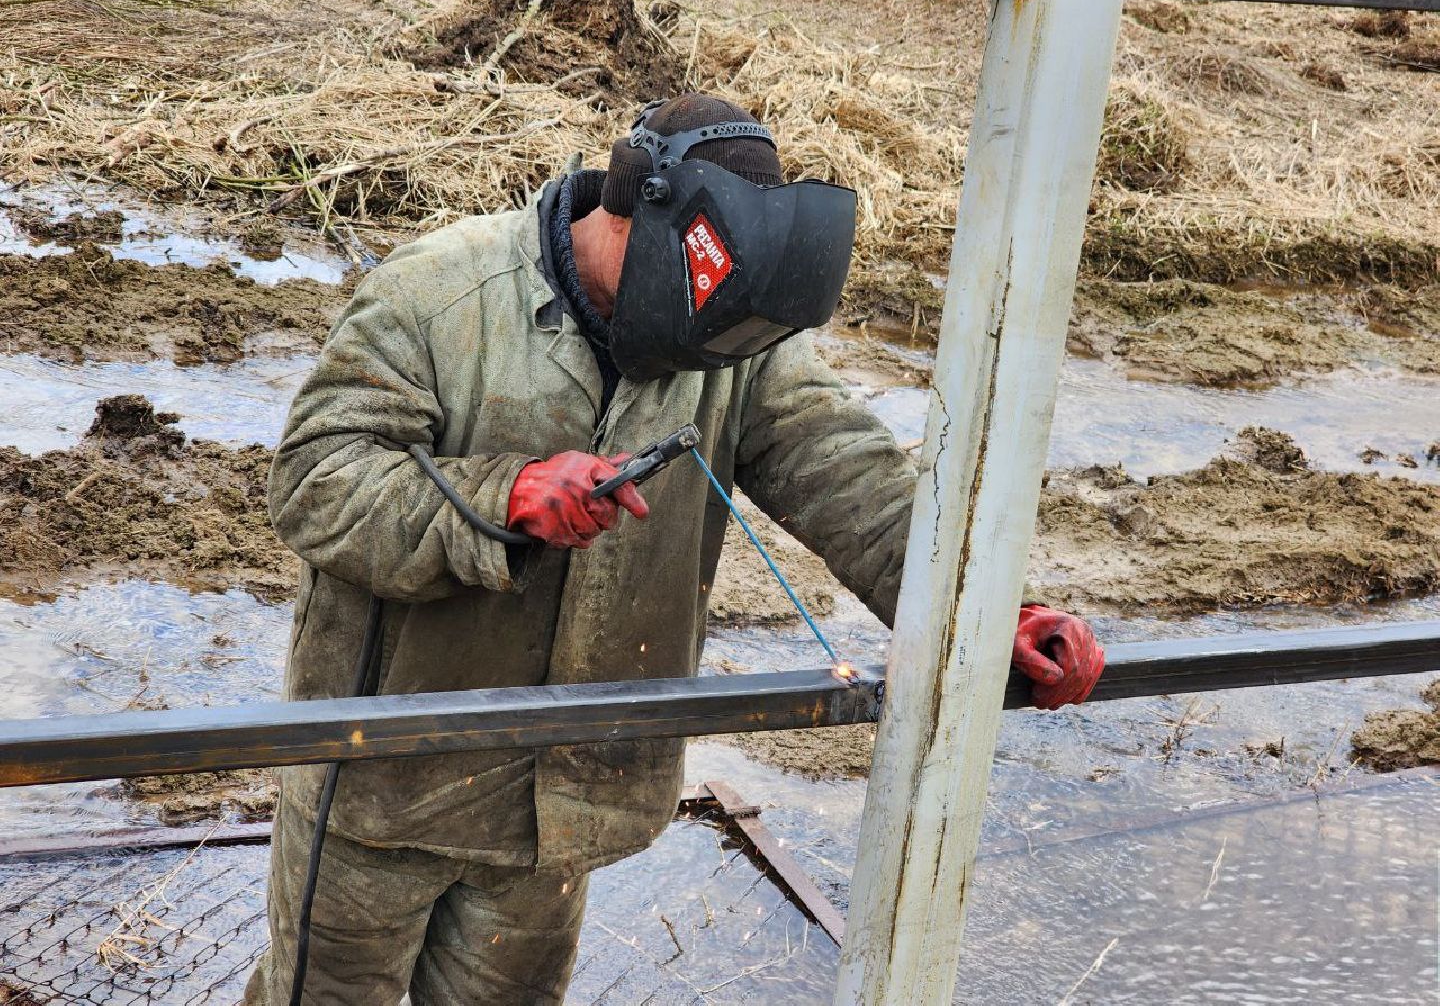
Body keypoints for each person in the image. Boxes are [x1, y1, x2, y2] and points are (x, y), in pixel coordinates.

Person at [244, 93, 1103, 1004]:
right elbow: (316, 482)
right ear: (636, 211)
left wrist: (986, 615)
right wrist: (510, 494)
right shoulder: (439, 296)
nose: (710, 345)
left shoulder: (728, 334)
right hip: (388, 784)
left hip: (563, 798)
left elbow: (849, 474)